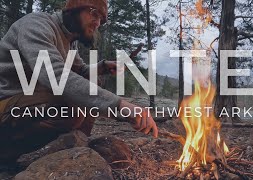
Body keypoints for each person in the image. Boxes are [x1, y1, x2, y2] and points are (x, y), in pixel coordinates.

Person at [0, 0, 158, 162]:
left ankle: (76, 147)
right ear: (74, 7)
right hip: (7, 102)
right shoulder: (36, 25)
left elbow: (80, 70)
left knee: (90, 83)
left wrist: (102, 67)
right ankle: (6, 152)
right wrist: (120, 105)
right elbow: (56, 75)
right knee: (73, 105)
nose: (97, 23)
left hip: (30, 101)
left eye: (102, 20)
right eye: (94, 13)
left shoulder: (69, 39)